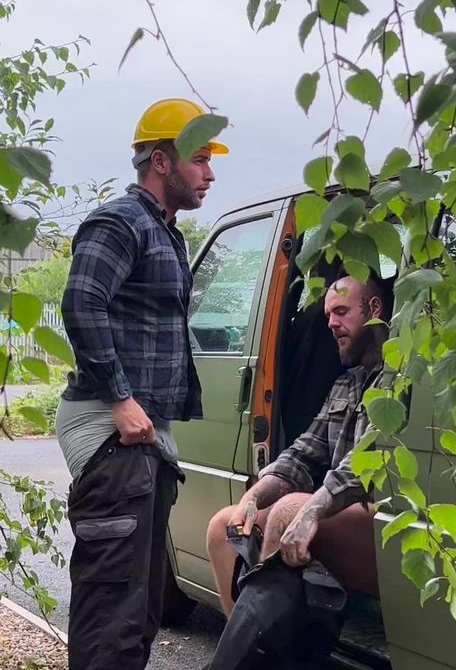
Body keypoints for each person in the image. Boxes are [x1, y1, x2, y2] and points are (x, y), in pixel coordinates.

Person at [56, 98, 228, 670]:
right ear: (161, 160)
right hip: (111, 433)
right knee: (114, 621)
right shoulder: (120, 222)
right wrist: (122, 399)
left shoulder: (166, 234)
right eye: (199, 159)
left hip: (139, 438)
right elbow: (81, 303)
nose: (209, 173)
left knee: (140, 614)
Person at [207, 275, 390, 617]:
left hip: (383, 516)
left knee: (288, 509)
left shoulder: (399, 379)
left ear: (374, 310)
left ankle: (259, 652)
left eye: (341, 312)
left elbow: (365, 465)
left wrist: (310, 509)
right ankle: (248, 651)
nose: (332, 325)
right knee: (224, 526)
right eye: (328, 317)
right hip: (340, 509)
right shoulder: (345, 383)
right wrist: (250, 499)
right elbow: (304, 454)